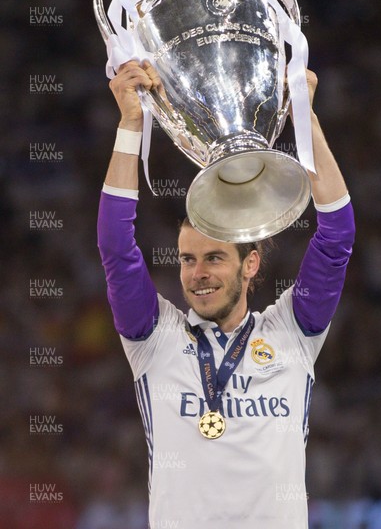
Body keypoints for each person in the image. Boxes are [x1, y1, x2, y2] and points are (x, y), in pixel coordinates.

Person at [97, 60, 355, 529]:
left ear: (250, 264)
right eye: (187, 259)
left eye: (214, 258)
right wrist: (130, 125)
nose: (197, 274)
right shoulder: (153, 339)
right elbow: (117, 248)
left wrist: (305, 120)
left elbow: (336, 236)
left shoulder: (291, 332)